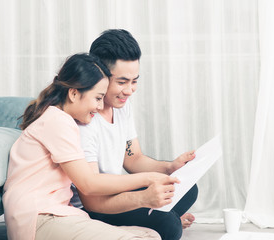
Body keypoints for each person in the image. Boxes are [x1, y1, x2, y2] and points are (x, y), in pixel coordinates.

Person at [2, 53, 180, 240]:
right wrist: (148, 180)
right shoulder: (56, 121)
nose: (100, 106)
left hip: (59, 213)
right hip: (39, 217)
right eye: (97, 98)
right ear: (73, 93)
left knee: (151, 235)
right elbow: (88, 184)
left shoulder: (62, 120)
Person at [71, 30, 199, 240]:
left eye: (134, 81)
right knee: (170, 225)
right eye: (122, 82)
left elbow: (133, 158)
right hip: (93, 207)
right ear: (99, 75)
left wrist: (169, 168)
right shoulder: (86, 119)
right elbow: (92, 197)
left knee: (186, 186)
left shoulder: (122, 105)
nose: (129, 91)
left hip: (115, 192)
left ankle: (161, 215)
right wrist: (143, 197)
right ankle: (165, 217)